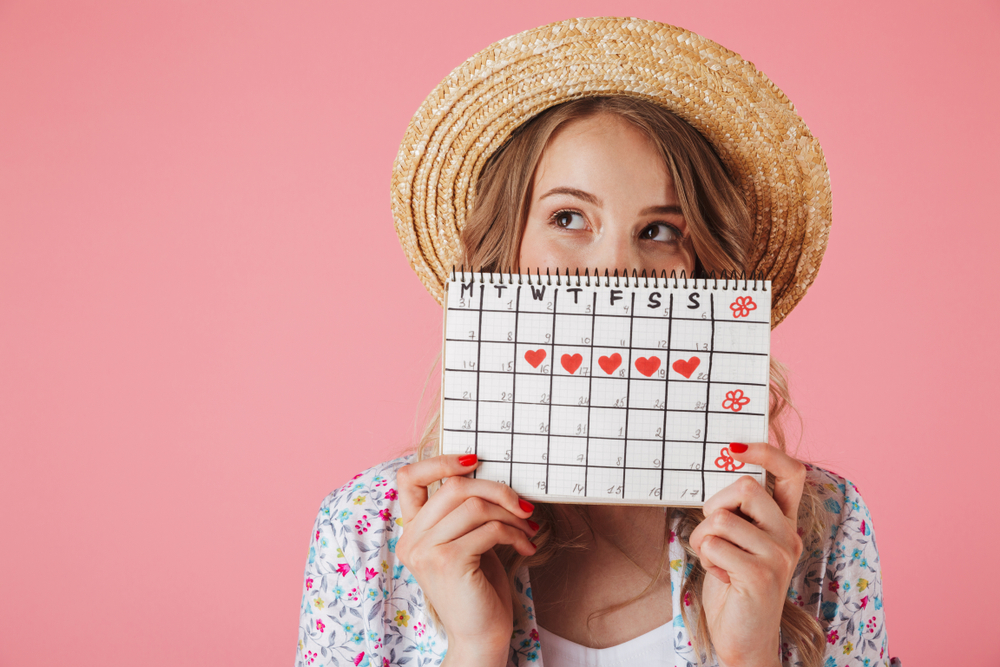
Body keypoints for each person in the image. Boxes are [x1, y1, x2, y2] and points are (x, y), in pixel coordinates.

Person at [296, 17, 896, 667]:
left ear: (707, 272)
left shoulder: (817, 528)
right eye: (569, 218)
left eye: (661, 230)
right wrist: (475, 646)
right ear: (505, 256)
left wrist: (752, 653)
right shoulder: (369, 530)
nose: (617, 269)